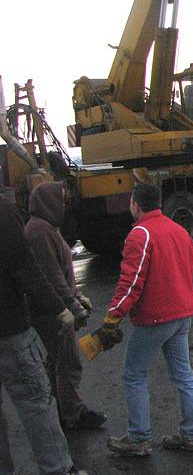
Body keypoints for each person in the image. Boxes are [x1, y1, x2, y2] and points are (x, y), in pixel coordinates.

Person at [105, 183, 193, 457]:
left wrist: (113, 316)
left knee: (134, 374)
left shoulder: (140, 234)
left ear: (136, 204)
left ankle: (138, 438)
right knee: (184, 375)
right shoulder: (179, 230)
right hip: (182, 314)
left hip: (156, 317)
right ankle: (192, 434)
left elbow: (131, 282)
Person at [0, 197, 87, 475]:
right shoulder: (4, 211)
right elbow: (27, 269)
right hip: (9, 328)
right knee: (35, 402)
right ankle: (58, 469)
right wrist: (61, 308)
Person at [25, 182, 106, 431]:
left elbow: (62, 270)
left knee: (58, 360)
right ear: (47, 203)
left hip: (55, 306)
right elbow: (50, 274)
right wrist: (70, 303)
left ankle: (60, 409)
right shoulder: (39, 232)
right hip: (52, 310)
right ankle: (73, 414)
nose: (63, 205)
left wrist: (77, 295)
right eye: (59, 200)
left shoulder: (47, 228)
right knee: (68, 361)